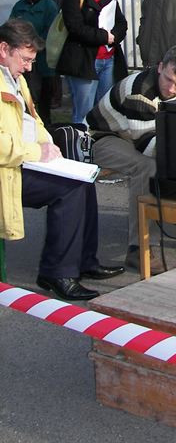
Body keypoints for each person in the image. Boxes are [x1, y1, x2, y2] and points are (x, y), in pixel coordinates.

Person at [0, 19, 123, 300]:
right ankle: (57, 272)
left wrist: (47, 143)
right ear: (4, 48)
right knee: (69, 190)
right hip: (8, 170)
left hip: (21, 162)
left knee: (84, 178)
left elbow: (34, 118)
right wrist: (36, 152)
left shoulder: (14, 77)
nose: (30, 67)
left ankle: (83, 261)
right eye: (26, 59)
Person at [87, 45, 176, 272]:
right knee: (147, 167)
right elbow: (147, 146)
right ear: (160, 67)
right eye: (167, 79)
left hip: (139, 135)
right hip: (105, 136)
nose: (171, 88)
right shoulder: (139, 91)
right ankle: (140, 248)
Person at [57, 0, 128, 124]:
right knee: (84, 113)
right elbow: (75, 27)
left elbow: (121, 23)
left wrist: (115, 36)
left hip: (108, 60)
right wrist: (105, 37)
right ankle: (79, 148)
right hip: (84, 62)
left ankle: (100, 147)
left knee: (106, 111)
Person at [9, 0, 58, 128]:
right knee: (26, 90)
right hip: (22, 55)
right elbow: (11, 25)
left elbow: (51, 31)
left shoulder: (49, 6)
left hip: (43, 56)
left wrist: (34, 47)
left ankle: (45, 124)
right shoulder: (20, 5)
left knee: (44, 92)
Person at [40, 0, 65, 109]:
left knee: (55, 68)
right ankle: (47, 96)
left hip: (56, 35)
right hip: (43, 35)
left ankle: (57, 97)